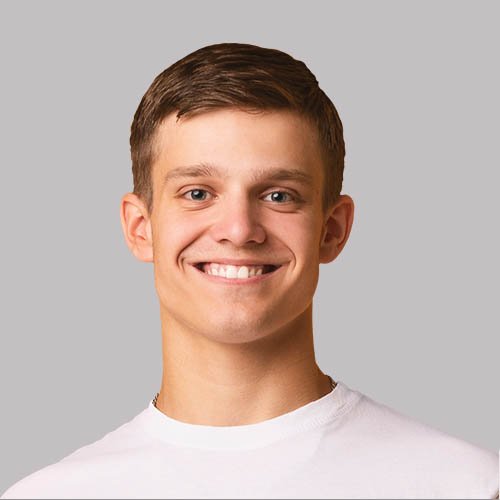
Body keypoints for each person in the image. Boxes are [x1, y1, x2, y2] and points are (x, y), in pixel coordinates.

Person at [2, 42, 498, 500]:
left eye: (279, 195)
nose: (239, 230)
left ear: (331, 230)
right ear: (140, 228)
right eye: (198, 193)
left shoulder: (465, 486)